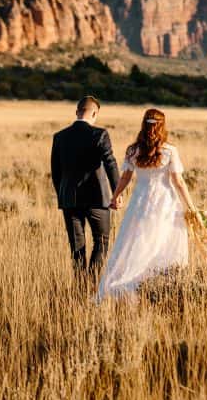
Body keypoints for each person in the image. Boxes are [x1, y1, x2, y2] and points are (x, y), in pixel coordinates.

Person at [96, 108, 197, 301]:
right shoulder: (169, 151)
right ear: (162, 126)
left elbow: (125, 177)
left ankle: (130, 284)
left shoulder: (133, 150)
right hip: (165, 203)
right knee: (162, 241)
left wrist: (115, 196)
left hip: (140, 202)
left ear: (144, 125)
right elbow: (178, 181)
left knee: (136, 242)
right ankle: (159, 286)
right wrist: (191, 207)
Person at [51, 95, 120, 278]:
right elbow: (110, 163)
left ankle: (80, 286)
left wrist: (62, 195)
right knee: (102, 241)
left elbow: (56, 173)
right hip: (97, 199)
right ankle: (93, 283)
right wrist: (117, 192)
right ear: (95, 114)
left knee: (77, 246)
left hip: (69, 200)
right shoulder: (100, 134)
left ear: (77, 112)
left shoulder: (59, 137)